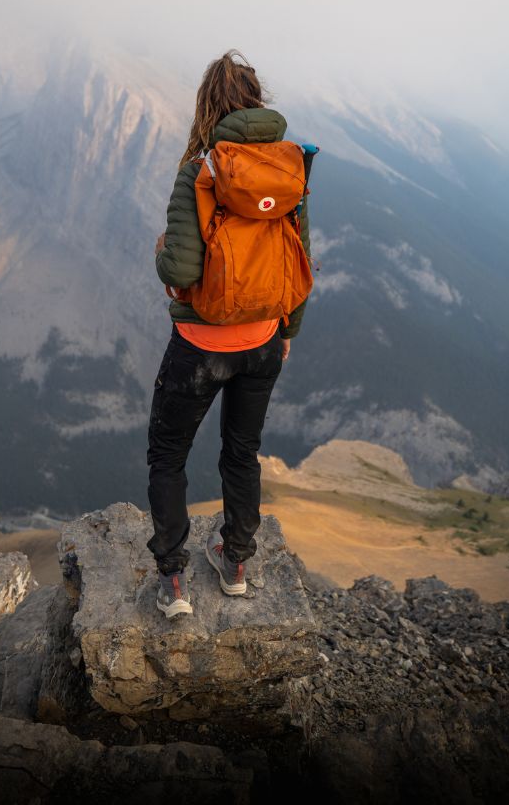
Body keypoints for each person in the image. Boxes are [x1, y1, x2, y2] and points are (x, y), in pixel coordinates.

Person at [147, 49, 311, 619]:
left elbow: (184, 273)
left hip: (202, 346)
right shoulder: (291, 166)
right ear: (257, 101)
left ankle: (172, 581)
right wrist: (286, 330)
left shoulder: (200, 171)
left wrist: (163, 254)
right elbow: (299, 259)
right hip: (265, 341)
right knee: (242, 454)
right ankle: (235, 561)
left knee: (169, 456)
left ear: (208, 107)